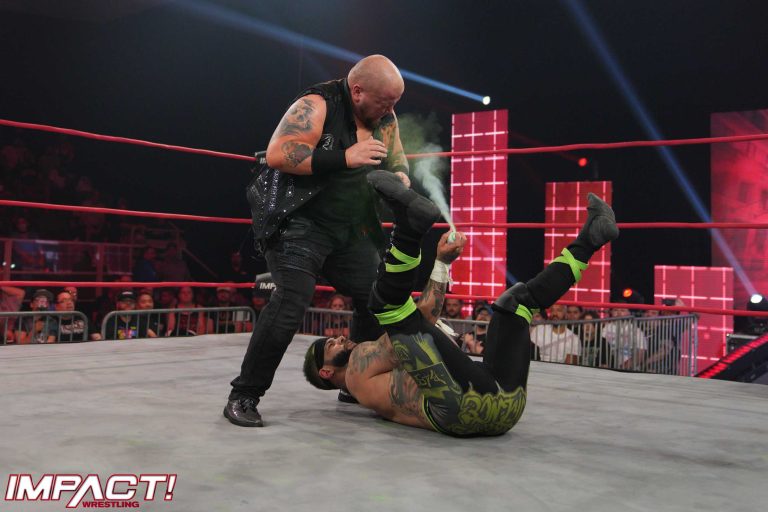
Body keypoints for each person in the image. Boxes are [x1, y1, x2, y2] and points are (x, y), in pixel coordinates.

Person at [302, 173, 618, 436]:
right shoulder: (358, 366)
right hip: (462, 407)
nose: (340, 337)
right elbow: (418, 320)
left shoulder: (365, 388)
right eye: (330, 344)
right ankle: (408, 229)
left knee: (516, 304)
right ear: (326, 371)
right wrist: (440, 264)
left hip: (505, 406)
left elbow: (417, 328)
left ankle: (591, 238)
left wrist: (441, 266)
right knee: (387, 308)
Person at [226, 54, 412, 426]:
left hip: (349, 228)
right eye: (384, 101)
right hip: (299, 221)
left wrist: (400, 178)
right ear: (357, 91)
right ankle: (244, 394)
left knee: (375, 296)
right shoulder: (318, 103)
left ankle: (355, 380)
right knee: (291, 300)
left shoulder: (384, 117)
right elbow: (278, 154)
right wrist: (345, 157)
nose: (390, 109)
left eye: (394, 102)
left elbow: (397, 159)